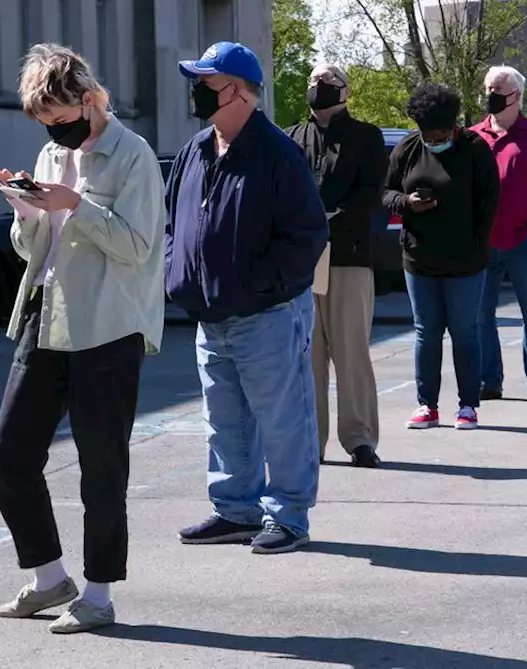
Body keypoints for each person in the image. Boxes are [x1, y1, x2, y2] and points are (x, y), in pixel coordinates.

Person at [0, 43, 166, 634]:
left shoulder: (132, 154)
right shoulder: (47, 153)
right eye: (46, 125)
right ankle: (48, 578)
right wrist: (27, 211)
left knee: (101, 467)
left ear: (90, 101)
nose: (56, 134)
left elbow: (139, 247)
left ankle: (97, 594)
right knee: (11, 458)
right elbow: (31, 249)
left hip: (108, 327)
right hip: (47, 315)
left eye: (62, 121)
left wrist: (75, 205)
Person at [165, 42, 328, 554]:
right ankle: (235, 509)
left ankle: (290, 516)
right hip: (211, 316)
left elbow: (306, 236)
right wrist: (179, 275)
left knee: (283, 420)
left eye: (205, 83)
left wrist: (260, 286)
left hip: (267, 315)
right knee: (225, 420)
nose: (195, 92)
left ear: (236, 90)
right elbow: (175, 223)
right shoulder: (195, 150)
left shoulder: (278, 152)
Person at [284, 64, 388, 469]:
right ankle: (312, 441)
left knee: (351, 352)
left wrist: (329, 217)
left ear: (344, 92)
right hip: (302, 262)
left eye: (326, 83)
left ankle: (360, 439)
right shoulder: (291, 138)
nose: (316, 88)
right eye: (312, 82)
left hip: (348, 255)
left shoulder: (366, 137)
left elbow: (369, 193)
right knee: (307, 357)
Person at [384, 82, 499, 430]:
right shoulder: (406, 149)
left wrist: (475, 246)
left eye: (440, 135)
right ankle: (427, 405)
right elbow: (385, 193)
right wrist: (407, 204)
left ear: (453, 126)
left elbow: (489, 203)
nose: (434, 141)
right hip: (419, 259)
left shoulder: (476, 150)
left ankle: (468, 406)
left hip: (465, 262)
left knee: (464, 332)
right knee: (426, 332)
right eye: (428, 137)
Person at [471, 65, 527, 404]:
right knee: (481, 315)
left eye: (497, 89)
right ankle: (489, 381)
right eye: (488, 88)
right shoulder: (472, 137)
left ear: (517, 96)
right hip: (481, 243)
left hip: (523, 241)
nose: (490, 94)